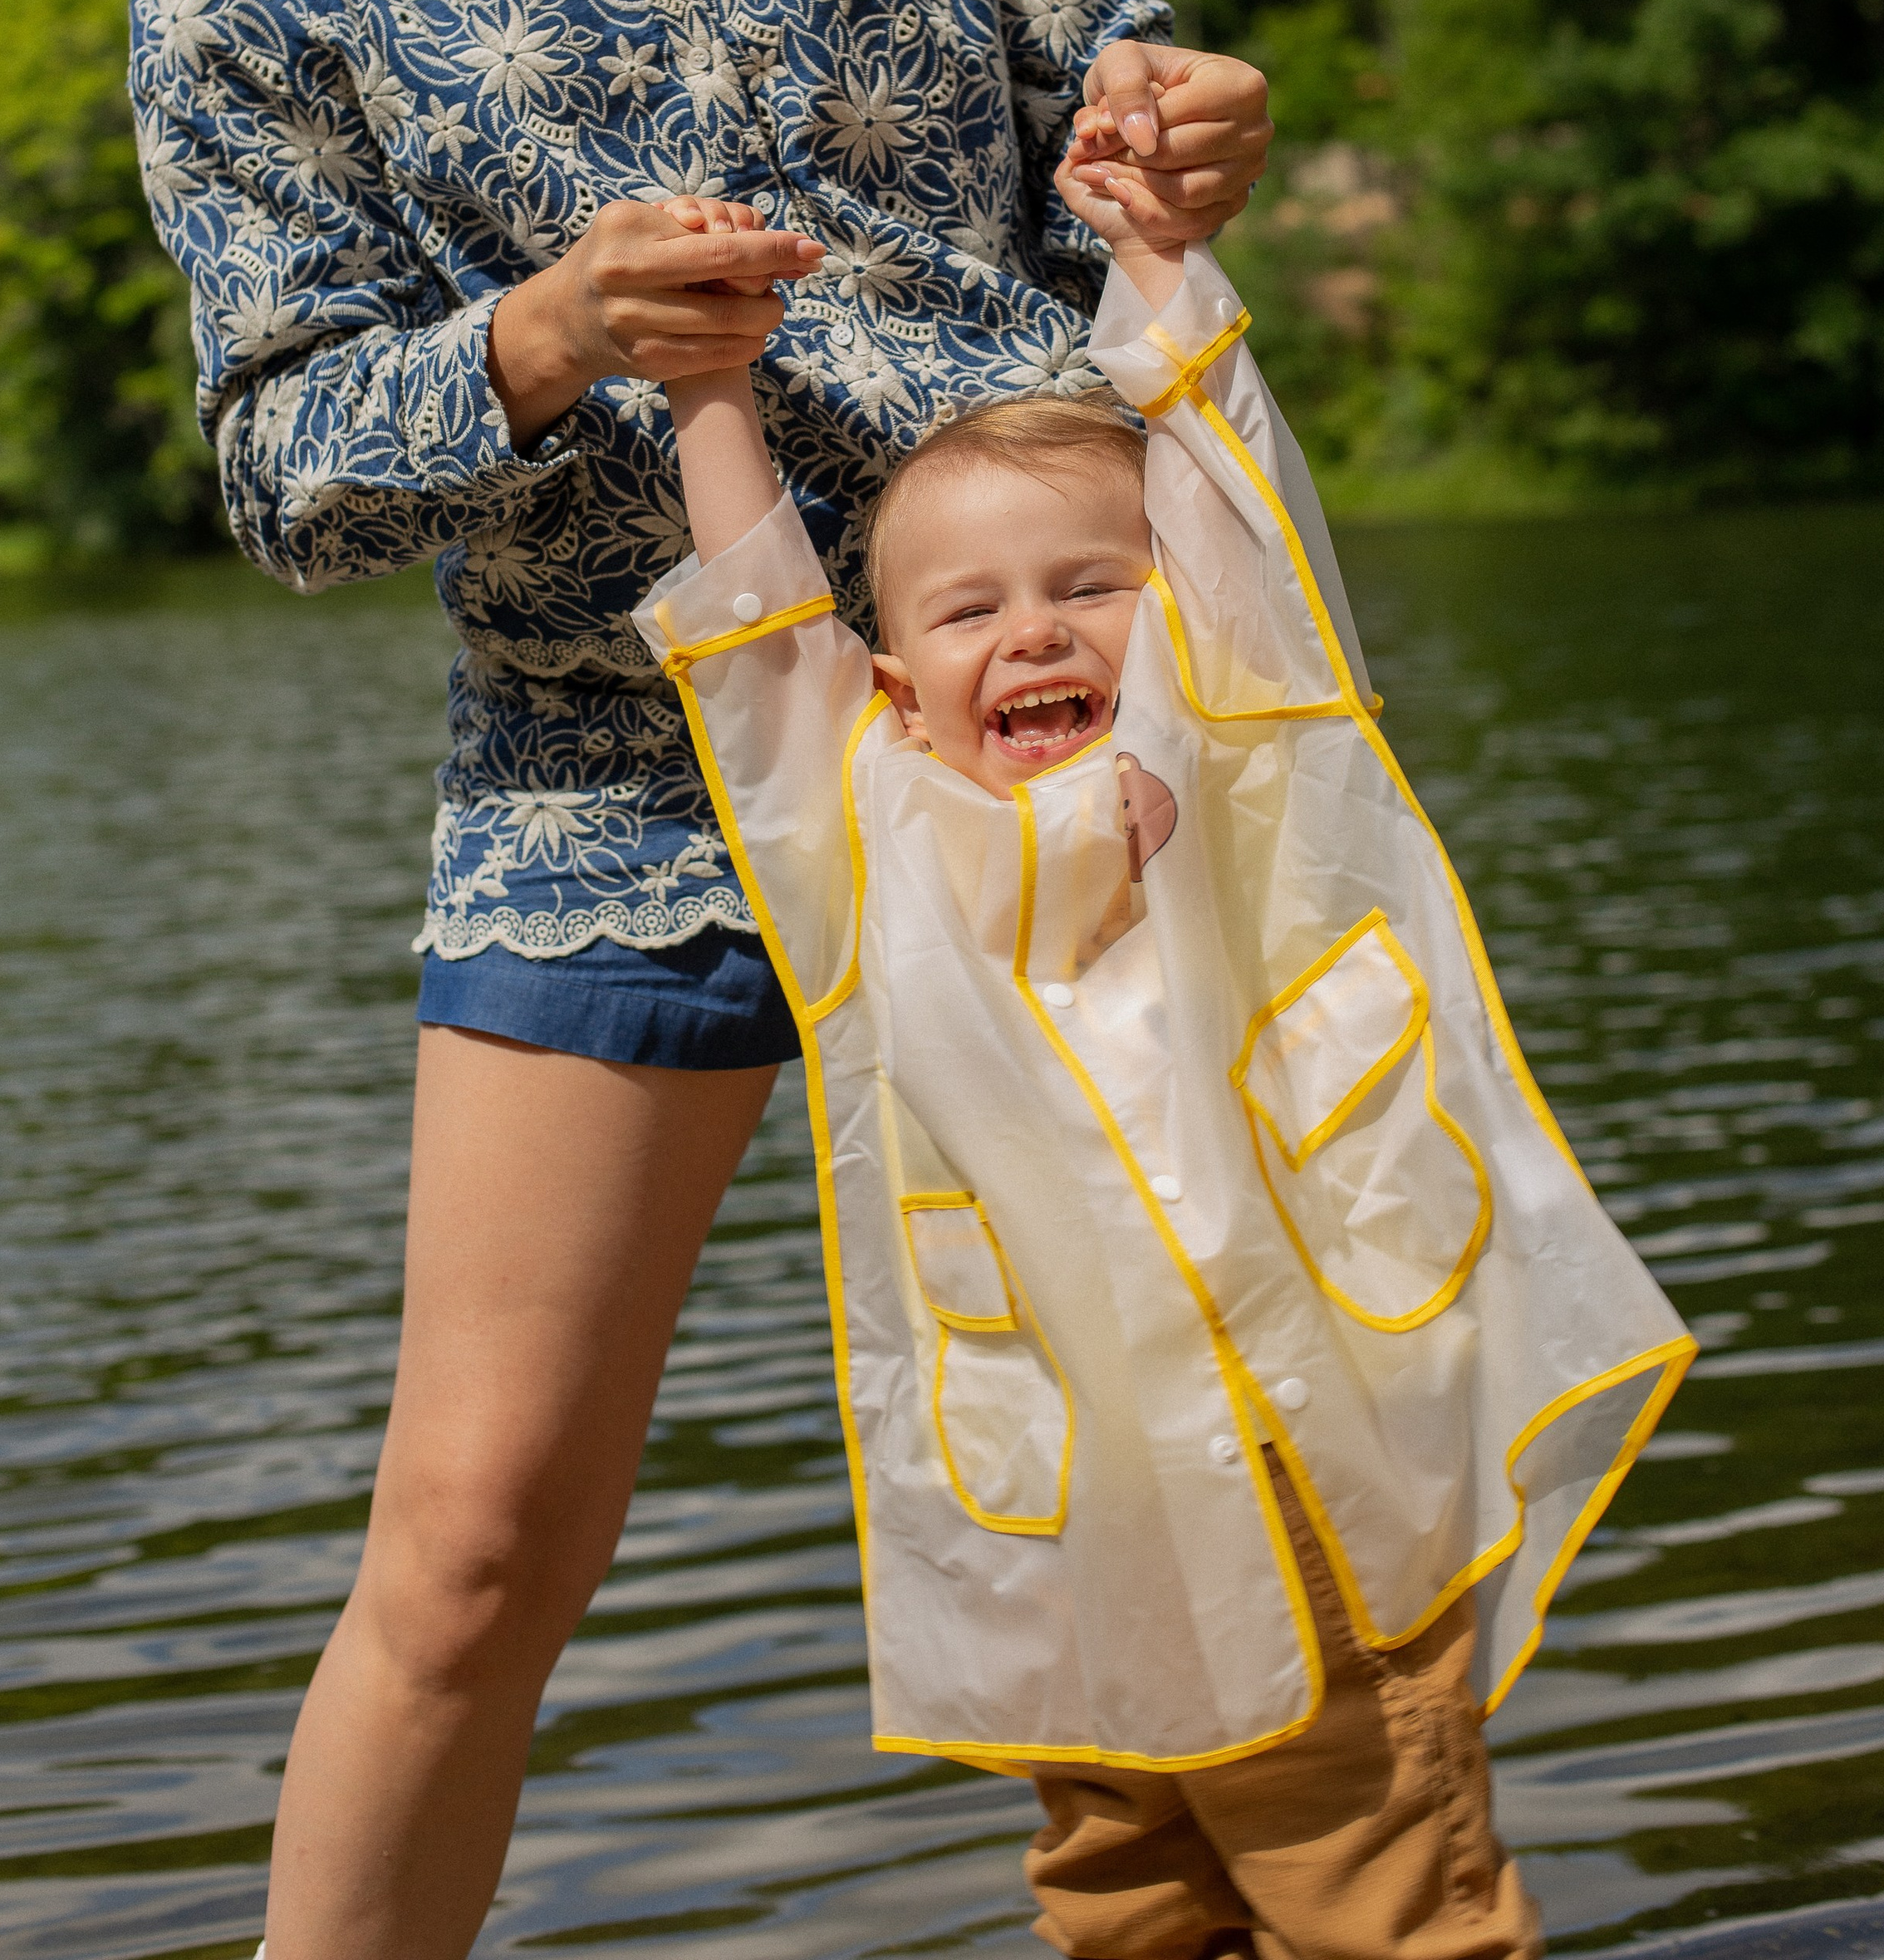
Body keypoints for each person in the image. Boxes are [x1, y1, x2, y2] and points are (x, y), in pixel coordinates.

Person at [129, 0, 1276, 1960]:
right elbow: (278, 466)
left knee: (1229, 1456)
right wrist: (529, 343)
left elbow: (1092, 122)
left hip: (1054, 692)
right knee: (481, 1547)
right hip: (611, 767)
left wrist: (1160, 136)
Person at [636, 153, 1695, 1960]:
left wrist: (1155, 258)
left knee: (1382, 1895)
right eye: (965, 613)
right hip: (1069, 1525)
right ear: (888, 682)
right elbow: (751, 619)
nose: (1031, 629)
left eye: (1087, 589)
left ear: (1170, 621)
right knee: (1119, 1902)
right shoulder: (861, 851)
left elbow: (1228, 502)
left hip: (1300, 1477)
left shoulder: (1229, 765)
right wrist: (707, 388)